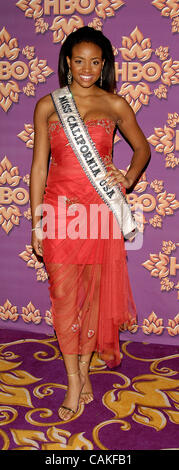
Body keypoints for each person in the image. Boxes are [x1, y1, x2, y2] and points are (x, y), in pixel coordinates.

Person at [30, 26, 150, 422]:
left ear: (104, 65)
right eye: (78, 60)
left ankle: (83, 369)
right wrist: (35, 222)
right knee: (64, 299)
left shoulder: (114, 105)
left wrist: (128, 178)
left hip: (98, 214)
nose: (86, 68)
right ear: (67, 62)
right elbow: (38, 166)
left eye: (94, 62)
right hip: (59, 213)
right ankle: (73, 380)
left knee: (92, 300)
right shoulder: (49, 104)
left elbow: (142, 148)